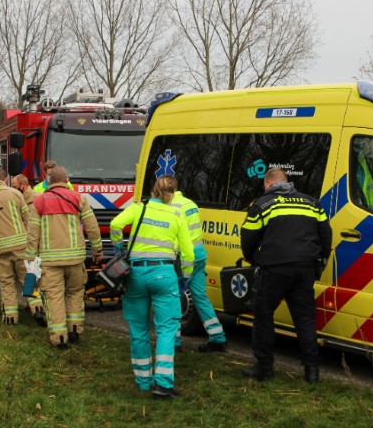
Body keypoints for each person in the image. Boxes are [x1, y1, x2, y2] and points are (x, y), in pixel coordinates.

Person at [240, 168, 332, 384]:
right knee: (304, 319)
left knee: (263, 314)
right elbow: (326, 233)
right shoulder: (311, 203)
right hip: (305, 268)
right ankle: (312, 371)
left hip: (274, 269)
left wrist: (254, 259)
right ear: (287, 182)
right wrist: (320, 259)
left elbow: (248, 236)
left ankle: (264, 368)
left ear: (268, 184)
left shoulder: (262, 204)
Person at [109, 176, 195, 399]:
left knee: (139, 329)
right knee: (166, 329)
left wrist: (119, 248)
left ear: (153, 190)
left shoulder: (138, 208)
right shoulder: (176, 214)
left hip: (135, 274)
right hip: (164, 274)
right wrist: (184, 277)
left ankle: (143, 380)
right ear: (173, 193)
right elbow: (188, 253)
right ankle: (164, 384)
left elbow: (115, 224)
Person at [26, 165, 102, 348]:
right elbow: (92, 227)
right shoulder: (79, 199)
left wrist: (30, 258)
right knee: (75, 293)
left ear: (49, 181)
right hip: (76, 259)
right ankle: (75, 329)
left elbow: (32, 233)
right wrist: (97, 251)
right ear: (67, 180)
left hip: (50, 262)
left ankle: (59, 339)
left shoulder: (39, 202)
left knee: (54, 298)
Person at [0, 168, 46, 325]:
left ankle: (10, 317)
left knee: (6, 282)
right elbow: (26, 219)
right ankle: (37, 308)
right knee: (27, 278)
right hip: (20, 244)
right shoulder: (15, 194)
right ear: (5, 179)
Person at [170, 178, 227, 353]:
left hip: (182, 259)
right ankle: (218, 338)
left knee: (173, 298)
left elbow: (175, 237)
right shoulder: (190, 204)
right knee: (200, 298)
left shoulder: (171, 207)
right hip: (199, 256)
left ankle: (175, 342)